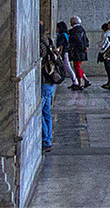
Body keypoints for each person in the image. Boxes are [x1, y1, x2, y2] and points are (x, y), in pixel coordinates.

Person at [40, 22, 66, 153]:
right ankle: (48, 139)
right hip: (50, 81)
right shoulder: (48, 40)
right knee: (46, 112)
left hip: (44, 81)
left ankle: (46, 140)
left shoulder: (39, 44)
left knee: (40, 112)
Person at [67, 17, 90, 90]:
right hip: (81, 51)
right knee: (77, 66)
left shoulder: (74, 31)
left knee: (77, 67)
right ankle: (86, 80)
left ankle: (80, 83)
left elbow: (76, 41)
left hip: (77, 51)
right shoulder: (81, 29)